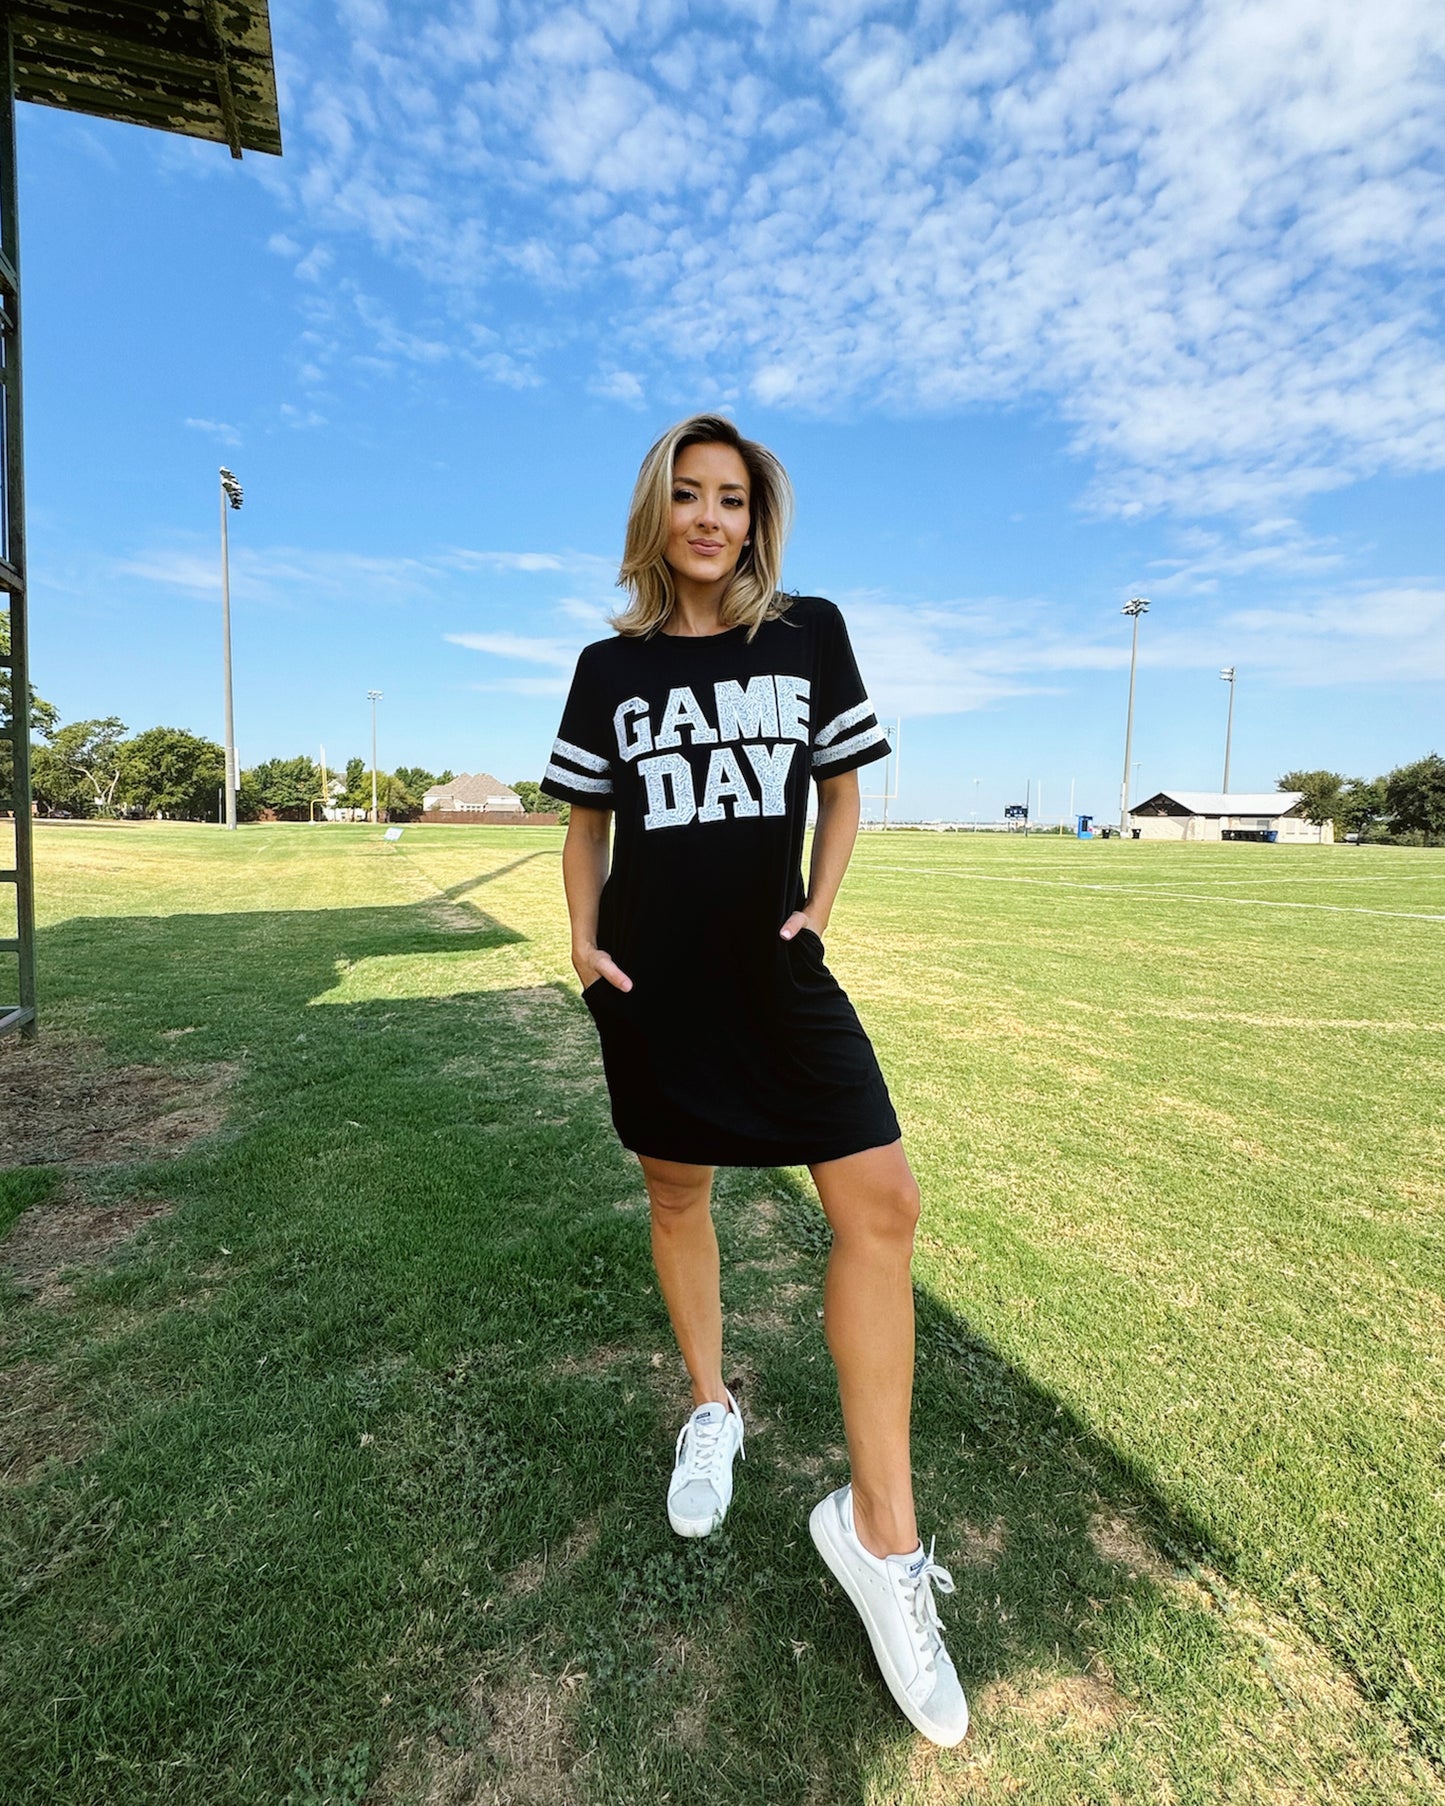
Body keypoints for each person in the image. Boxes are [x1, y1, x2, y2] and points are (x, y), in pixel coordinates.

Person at [544, 415, 967, 1748]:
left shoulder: (806, 632)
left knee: (881, 1204)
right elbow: (584, 825)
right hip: (654, 982)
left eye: (731, 497)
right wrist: (582, 938)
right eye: (688, 494)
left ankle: (876, 1529)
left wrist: (820, 909)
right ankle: (709, 1405)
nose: (710, 517)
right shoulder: (606, 666)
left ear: (756, 518)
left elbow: (840, 790)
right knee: (680, 1195)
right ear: (655, 512)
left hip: (776, 974)